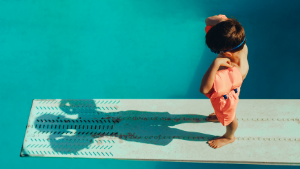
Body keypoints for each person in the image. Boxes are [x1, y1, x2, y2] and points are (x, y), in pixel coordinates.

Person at [199, 14, 249, 149]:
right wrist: (222, 21)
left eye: (215, 51)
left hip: (228, 91)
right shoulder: (237, 39)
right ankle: (218, 115)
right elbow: (208, 20)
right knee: (220, 110)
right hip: (227, 85)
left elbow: (204, 89)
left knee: (229, 116)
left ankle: (229, 136)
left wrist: (215, 64)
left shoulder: (232, 70)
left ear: (226, 54)